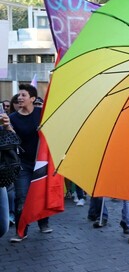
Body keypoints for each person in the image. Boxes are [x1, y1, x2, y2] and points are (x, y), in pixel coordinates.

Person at [2, 84, 52, 242]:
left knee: (40, 194)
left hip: (40, 162)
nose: (19, 98)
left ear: (32, 98)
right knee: (21, 197)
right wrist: (8, 127)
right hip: (22, 164)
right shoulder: (12, 118)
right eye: (19, 95)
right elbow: (13, 141)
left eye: (23, 95)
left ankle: (43, 222)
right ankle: (21, 231)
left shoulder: (42, 114)